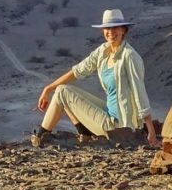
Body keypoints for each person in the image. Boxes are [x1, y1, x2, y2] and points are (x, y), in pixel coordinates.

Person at [33, 9, 158, 147]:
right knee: (64, 90)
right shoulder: (103, 51)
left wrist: (150, 130)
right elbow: (77, 71)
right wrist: (48, 89)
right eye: (107, 28)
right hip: (108, 114)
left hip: (119, 127)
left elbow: (139, 91)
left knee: (63, 93)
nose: (111, 32)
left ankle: (40, 139)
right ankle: (85, 135)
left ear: (124, 30)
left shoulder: (130, 56)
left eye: (115, 27)